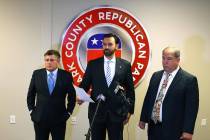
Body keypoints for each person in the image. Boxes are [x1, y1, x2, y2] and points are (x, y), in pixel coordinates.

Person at [79, 33, 135, 140]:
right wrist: (80, 95)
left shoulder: (125, 65)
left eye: (110, 44)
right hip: (96, 113)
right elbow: (84, 84)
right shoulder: (93, 64)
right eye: (104, 44)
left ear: (116, 46)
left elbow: (130, 90)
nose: (106, 47)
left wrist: (129, 111)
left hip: (117, 113)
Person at [138, 47, 199, 140]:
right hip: (154, 127)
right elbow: (148, 98)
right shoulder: (156, 76)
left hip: (174, 130)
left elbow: (191, 108)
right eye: (163, 58)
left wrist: (188, 130)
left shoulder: (189, 80)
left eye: (169, 59)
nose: (165, 61)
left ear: (178, 60)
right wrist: (143, 118)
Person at [27, 49, 76, 140]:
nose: (49, 62)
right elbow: (30, 94)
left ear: (58, 61)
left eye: (52, 60)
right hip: (39, 119)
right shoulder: (37, 74)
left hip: (59, 119)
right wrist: (31, 111)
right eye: (47, 60)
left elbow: (72, 96)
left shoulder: (66, 75)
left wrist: (68, 112)